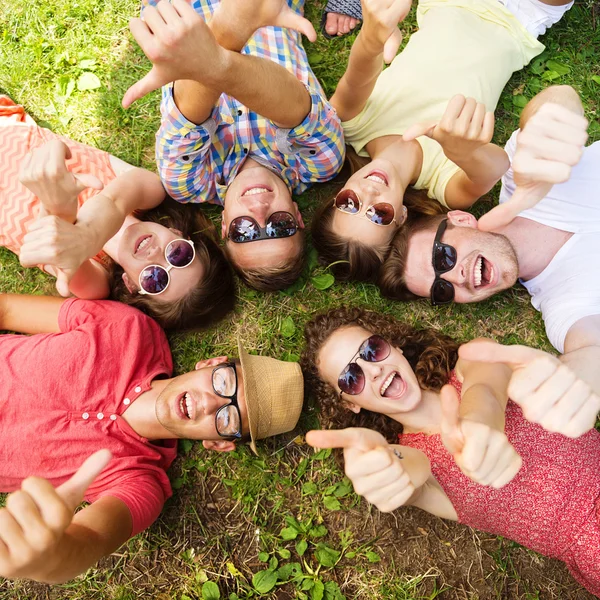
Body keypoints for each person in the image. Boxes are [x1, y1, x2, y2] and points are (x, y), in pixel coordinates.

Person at [0, 293, 304, 584]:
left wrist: (51, 560)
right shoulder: (129, 329)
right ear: (210, 363)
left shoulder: (140, 484)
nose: (211, 403)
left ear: (218, 443)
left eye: (228, 418)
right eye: (223, 382)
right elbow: (8, 309)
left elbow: (89, 541)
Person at [301, 307, 600, 596]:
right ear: (349, 404)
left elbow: (486, 384)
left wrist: (480, 420)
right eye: (351, 378)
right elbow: (409, 472)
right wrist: (383, 466)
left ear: (394, 346)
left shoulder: (472, 361)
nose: (375, 369)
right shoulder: (420, 470)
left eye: (372, 349)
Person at [311, 0, 574, 282]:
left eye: (350, 203)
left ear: (337, 195)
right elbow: (496, 167)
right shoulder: (442, 185)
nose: (370, 195)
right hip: (517, 21)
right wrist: (464, 152)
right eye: (378, 215)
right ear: (400, 217)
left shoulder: (350, 127)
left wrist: (373, 36)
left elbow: (356, 78)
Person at [380, 84, 599, 389]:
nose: (455, 277)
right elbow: (592, 354)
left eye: (442, 257)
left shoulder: (520, 176)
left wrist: (547, 143)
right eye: (442, 290)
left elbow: (560, 98)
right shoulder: (563, 305)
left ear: (460, 219)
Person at [122, 0, 345, 291]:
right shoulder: (319, 165)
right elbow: (295, 104)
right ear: (297, 216)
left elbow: (187, 109)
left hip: (177, 12)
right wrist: (236, 22)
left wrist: (235, 22)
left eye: (244, 231)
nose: (260, 211)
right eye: (280, 227)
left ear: (225, 226)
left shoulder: (189, 184)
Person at [0, 96, 235, 331]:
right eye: (178, 254)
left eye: (155, 279)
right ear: (178, 233)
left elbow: (63, 250)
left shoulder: (97, 281)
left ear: (131, 285)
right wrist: (86, 230)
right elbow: (119, 197)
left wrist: (59, 213)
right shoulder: (150, 193)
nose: (156, 255)